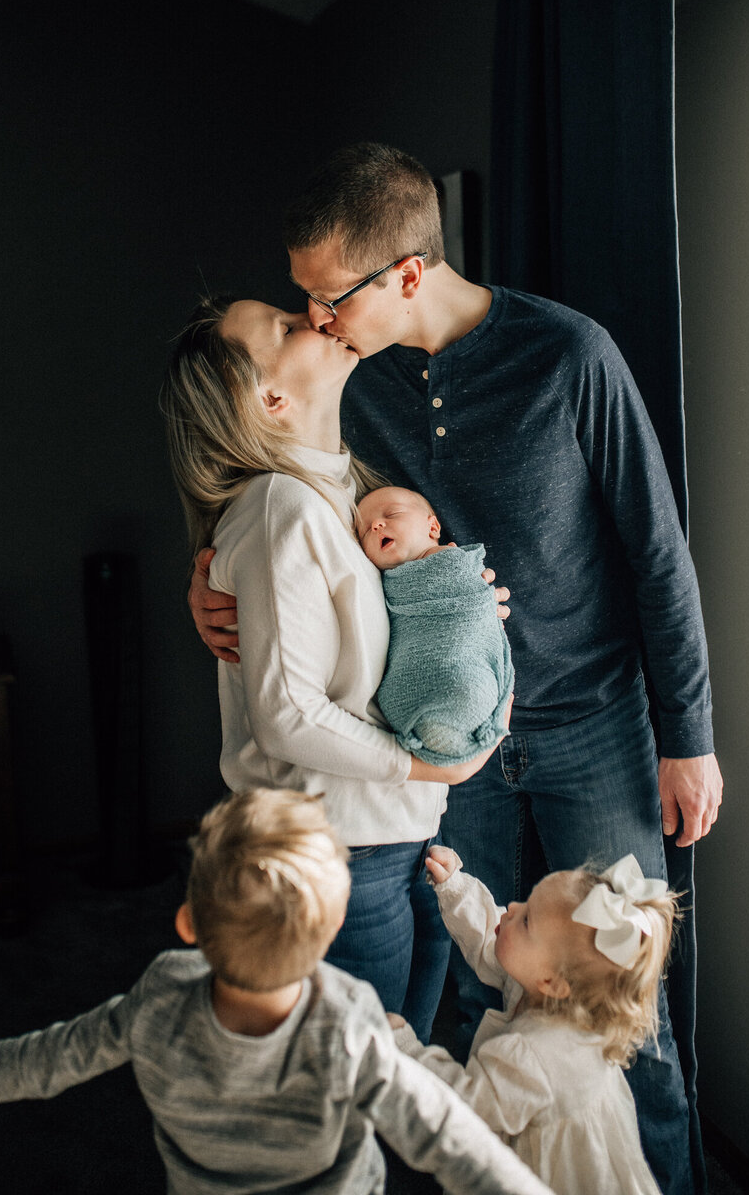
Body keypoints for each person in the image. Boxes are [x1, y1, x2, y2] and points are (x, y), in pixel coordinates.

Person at [187, 143, 723, 1194]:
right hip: (427, 748)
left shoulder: (569, 356)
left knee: (632, 1026)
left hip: (592, 730)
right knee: (483, 1003)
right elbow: (266, 487)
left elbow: (654, 549)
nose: (314, 320)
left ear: (404, 275)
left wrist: (686, 736)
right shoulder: (345, 385)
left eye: (324, 294)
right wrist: (202, 580)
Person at [161, 296, 506, 1044]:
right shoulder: (282, 506)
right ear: (271, 400)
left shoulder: (348, 495)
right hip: (343, 853)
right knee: (356, 1088)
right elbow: (287, 714)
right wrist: (430, 771)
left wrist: (462, 615)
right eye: (288, 329)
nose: (317, 320)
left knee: (400, 1072)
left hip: (400, 842)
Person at [0, 789, 554, 1195]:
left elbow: (48, 1058)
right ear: (330, 931)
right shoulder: (345, 1018)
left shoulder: (161, 995)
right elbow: (442, 1134)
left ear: (188, 925)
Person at [389, 846, 677, 1195]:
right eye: (526, 904)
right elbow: (492, 937)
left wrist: (404, 1050)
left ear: (553, 982)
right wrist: (455, 886)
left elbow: (465, 1106)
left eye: (526, 920)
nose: (512, 908)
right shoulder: (559, 994)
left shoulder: (533, 1057)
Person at [357, 485, 515, 764]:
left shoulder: (457, 561)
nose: (377, 525)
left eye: (391, 514)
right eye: (365, 531)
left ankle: (463, 704)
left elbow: (475, 609)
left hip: (462, 667)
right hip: (410, 679)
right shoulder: (378, 585)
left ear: (432, 527)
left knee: (464, 680)